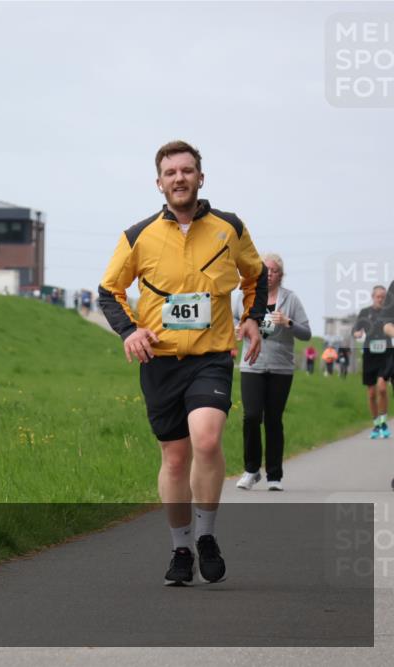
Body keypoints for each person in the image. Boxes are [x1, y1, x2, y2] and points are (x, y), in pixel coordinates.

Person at [99, 140, 267, 586]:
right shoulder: (138, 236)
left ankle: (206, 536)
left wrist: (253, 319)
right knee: (175, 459)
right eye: (170, 172)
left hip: (211, 357)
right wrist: (130, 331)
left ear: (200, 177)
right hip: (160, 361)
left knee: (206, 441)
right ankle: (180, 548)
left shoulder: (229, 228)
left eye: (187, 170)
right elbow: (109, 291)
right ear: (159, 183)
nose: (179, 178)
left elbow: (256, 275)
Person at [233, 253, 311, 492]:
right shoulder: (245, 296)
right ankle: (251, 470)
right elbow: (230, 320)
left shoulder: (290, 299)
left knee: (273, 420)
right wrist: (237, 328)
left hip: (280, 367)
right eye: (265, 270)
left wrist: (288, 322)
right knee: (251, 416)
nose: (269, 274)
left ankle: (274, 475)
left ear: (281, 275)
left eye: (274, 270)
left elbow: (306, 333)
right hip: (252, 364)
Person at [353, 285, 392, 439]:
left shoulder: (389, 312)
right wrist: (357, 333)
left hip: (386, 353)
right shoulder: (365, 312)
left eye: (383, 297)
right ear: (373, 297)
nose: (381, 299)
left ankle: (383, 422)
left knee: (382, 388)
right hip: (370, 353)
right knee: (371, 393)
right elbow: (356, 329)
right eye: (378, 296)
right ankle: (376, 424)